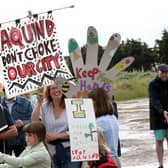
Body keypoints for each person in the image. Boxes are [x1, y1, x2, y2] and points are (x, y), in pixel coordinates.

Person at [31, 84, 81, 168]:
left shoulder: (73, 105)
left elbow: (79, 130)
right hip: (50, 152)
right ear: (49, 92)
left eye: (59, 87)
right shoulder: (45, 106)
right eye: (53, 88)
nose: (56, 90)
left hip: (71, 151)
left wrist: (57, 136)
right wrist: (39, 103)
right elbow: (34, 122)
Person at [88, 88, 121, 168]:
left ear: (95, 102)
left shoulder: (99, 122)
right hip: (115, 159)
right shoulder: (113, 117)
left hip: (104, 161)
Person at [1, 90, 33, 156]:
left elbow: (33, 120)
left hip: (21, 140)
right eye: (5, 90)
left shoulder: (26, 103)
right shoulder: (1, 103)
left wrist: (23, 123)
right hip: (5, 142)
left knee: (22, 164)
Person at [148, 64, 168, 168]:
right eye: (162, 72)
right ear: (158, 72)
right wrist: (162, 111)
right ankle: (160, 164)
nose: (164, 74)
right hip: (158, 117)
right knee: (159, 140)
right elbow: (154, 100)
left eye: (166, 72)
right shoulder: (152, 84)